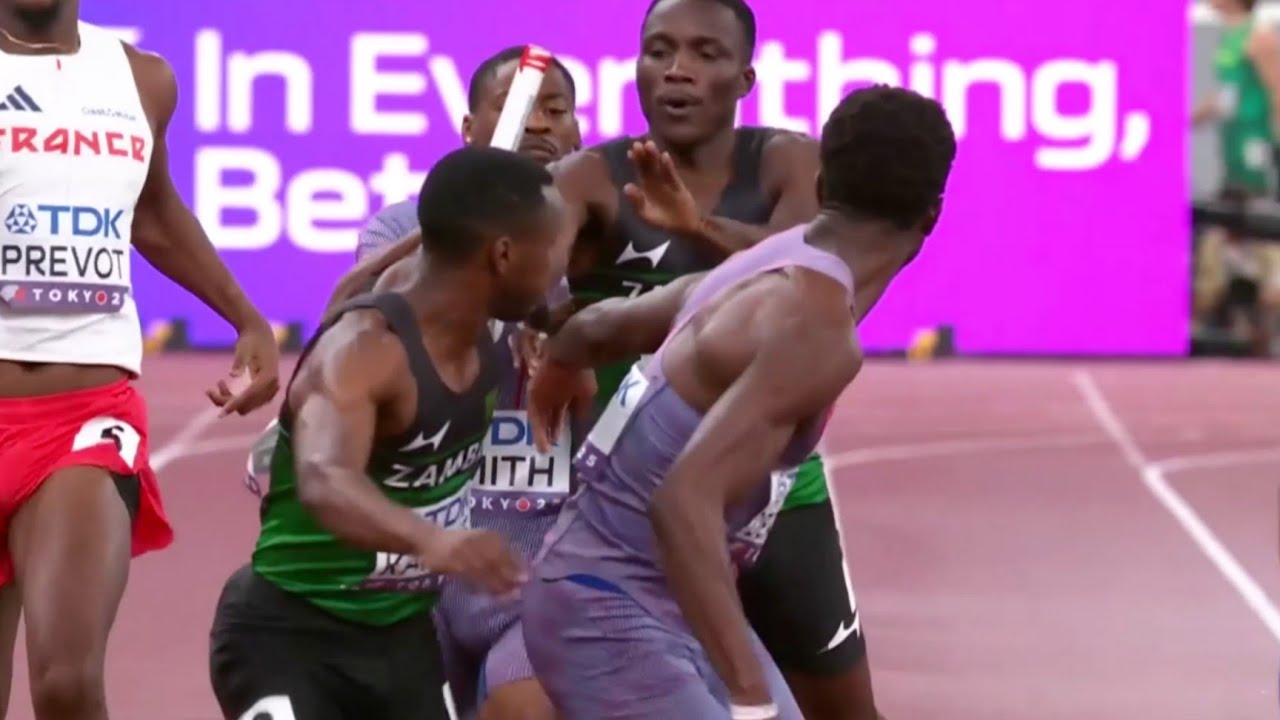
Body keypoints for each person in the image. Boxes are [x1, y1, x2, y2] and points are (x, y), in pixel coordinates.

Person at [521, 84, 956, 720]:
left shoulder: (763, 262)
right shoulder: (818, 333)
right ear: (932, 216)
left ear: (824, 184)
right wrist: (750, 698)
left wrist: (561, 362)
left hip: (654, 598)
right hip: (607, 607)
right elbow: (683, 503)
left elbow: (598, 328)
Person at [243, 46, 583, 720]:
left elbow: (583, 328)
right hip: (397, 560)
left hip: (517, 543)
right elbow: (368, 303)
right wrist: (455, 224)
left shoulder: (584, 224)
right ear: (469, 130)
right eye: (524, 109)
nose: (542, 123)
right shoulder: (404, 239)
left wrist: (562, 326)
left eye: (559, 110)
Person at [0, 2, 281, 717]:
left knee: (66, 684)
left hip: (82, 419)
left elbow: (154, 214)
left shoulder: (141, 78)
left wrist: (245, 316)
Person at [1192, 0, 1280, 355]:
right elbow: (1225, 94)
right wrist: (1187, 119)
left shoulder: (1260, 37)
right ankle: (1246, 311)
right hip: (1232, 139)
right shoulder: (1230, 38)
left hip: (1254, 141)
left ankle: (1266, 304)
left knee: (1256, 220)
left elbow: (1276, 88)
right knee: (1234, 223)